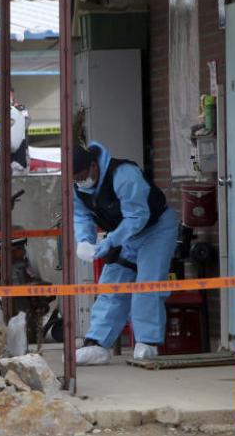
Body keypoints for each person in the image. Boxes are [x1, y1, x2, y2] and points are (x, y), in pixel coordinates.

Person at [72, 142, 178, 365]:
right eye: (76, 180)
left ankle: (147, 342)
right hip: (124, 234)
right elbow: (81, 216)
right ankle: (96, 344)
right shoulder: (76, 187)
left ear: (93, 166)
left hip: (156, 228)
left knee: (147, 285)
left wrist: (110, 241)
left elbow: (137, 216)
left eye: (82, 177)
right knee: (110, 285)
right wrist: (84, 241)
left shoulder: (124, 174)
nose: (81, 183)